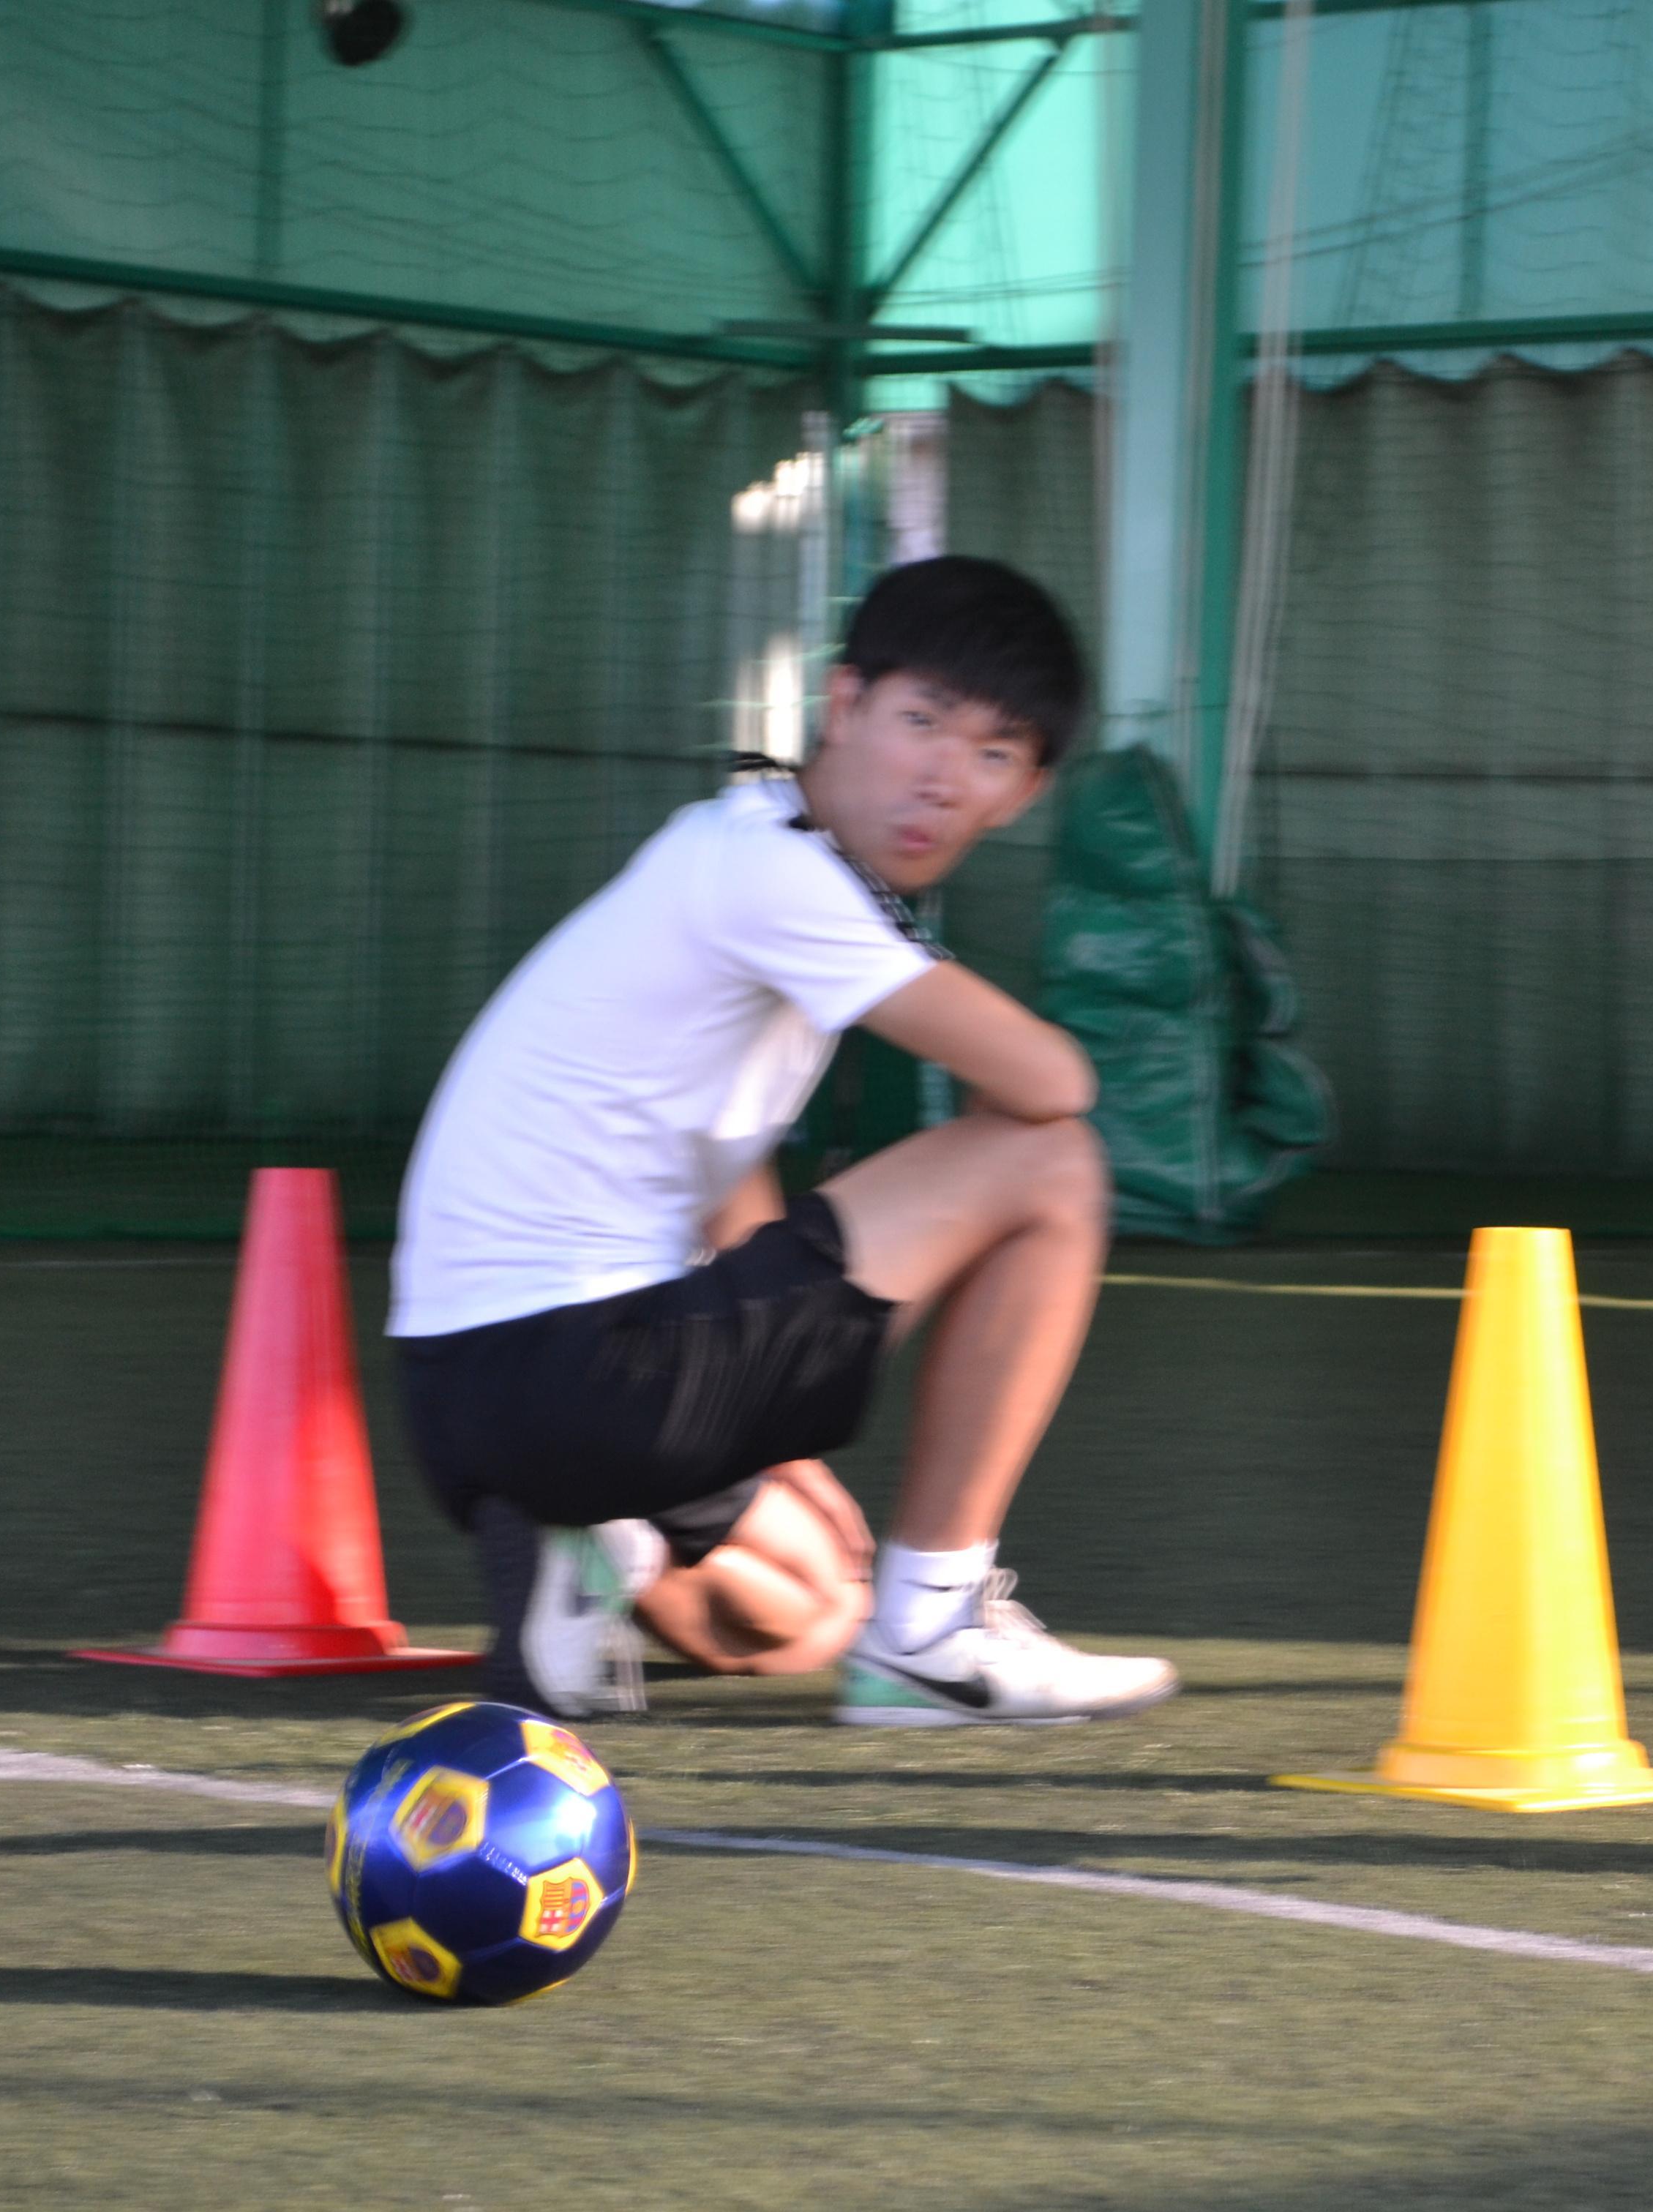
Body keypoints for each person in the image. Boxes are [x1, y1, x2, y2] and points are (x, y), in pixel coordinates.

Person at [389, 555, 1177, 1729]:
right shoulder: (781, 875)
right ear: (842, 704)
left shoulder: (741, 837)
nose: (945, 780)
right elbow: (1050, 1081)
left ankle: (590, 1551)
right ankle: (935, 1632)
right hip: (567, 1363)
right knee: (1053, 1161)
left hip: (470, 1393)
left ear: (1024, 793)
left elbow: (725, 1169)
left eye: (994, 755)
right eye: (922, 722)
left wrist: (770, 1417)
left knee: (808, 1609)